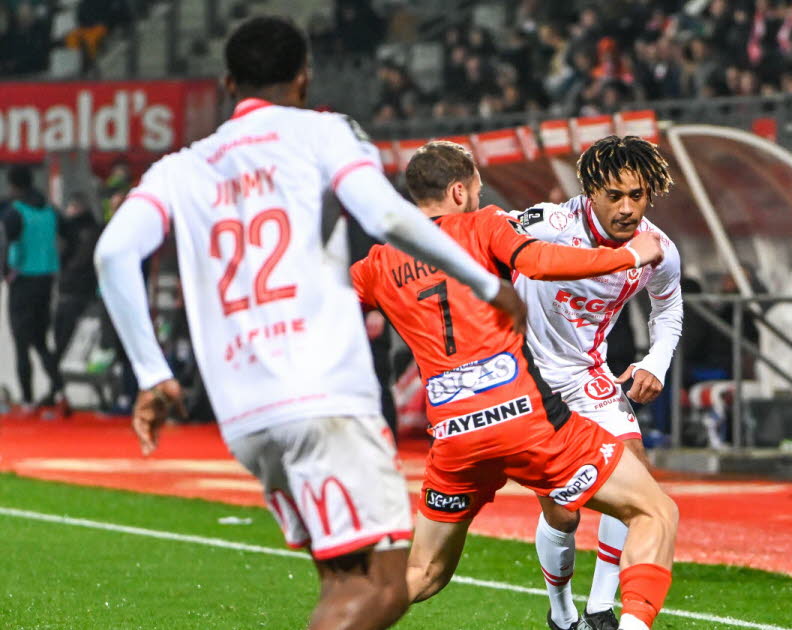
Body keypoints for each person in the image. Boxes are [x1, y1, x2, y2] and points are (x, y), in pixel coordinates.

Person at [93, 16, 526, 630]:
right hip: (321, 394)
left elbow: (112, 255)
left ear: (227, 82)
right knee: (384, 587)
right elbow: (385, 215)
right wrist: (486, 282)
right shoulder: (322, 133)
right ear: (303, 78)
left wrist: (150, 373)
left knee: (341, 581)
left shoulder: (180, 167)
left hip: (245, 415)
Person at [349, 140, 678, 630]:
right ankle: (577, 613)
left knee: (422, 573)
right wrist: (626, 257)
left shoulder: (377, 262)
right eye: (479, 187)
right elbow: (539, 262)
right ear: (459, 191)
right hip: (527, 409)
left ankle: (597, 611)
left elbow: (322, 311)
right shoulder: (487, 225)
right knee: (655, 510)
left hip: (456, 434)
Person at [511, 135, 682, 630]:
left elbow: (668, 307)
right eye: (615, 195)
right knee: (564, 514)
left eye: (638, 195)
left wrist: (657, 361)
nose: (628, 208)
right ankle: (561, 613)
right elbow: (484, 240)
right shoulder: (550, 223)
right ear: (590, 191)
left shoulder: (658, 249)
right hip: (528, 379)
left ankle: (601, 610)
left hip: (588, 375)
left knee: (636, 482)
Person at [3, 165, 64, 413]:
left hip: (23, 280)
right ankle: (59, 389)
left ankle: (27, 398)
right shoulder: (50, 211)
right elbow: (69, 236)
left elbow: (9, 245)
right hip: (46, 279)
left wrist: (7, 272)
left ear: (14, 186)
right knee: (40, 341)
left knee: (21, 342)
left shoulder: (15, 212)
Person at [51, 192, 103, 413]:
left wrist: (67, 277)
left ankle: (57, 390)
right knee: (63, 344)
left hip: (76, 294)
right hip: (76, 293)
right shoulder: (81, 230)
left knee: (63, 344)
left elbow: (80, 263)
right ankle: (57, 390)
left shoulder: (85, 232)